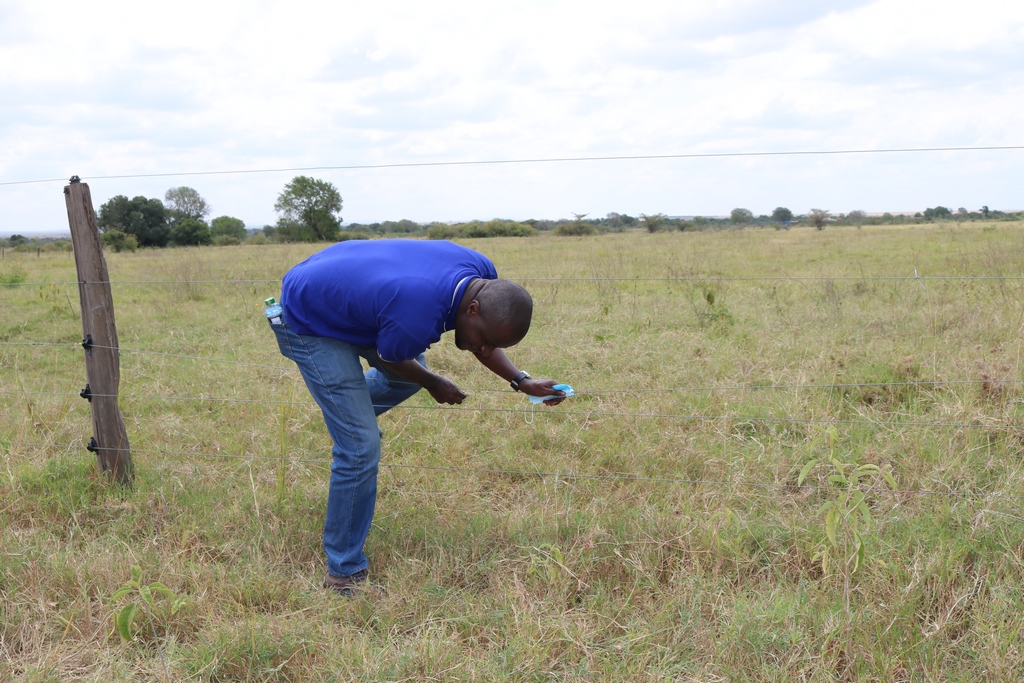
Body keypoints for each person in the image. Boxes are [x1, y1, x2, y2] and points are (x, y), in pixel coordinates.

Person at [270, 239, 565, 596]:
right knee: (361, 448)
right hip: (308, 313)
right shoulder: (417, 314)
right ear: (472, 309)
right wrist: (433, 382)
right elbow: (394, 357)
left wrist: (521, 381)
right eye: (485, 340)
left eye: (492, 345)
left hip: (353, 295)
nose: (485, 349)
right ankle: (343, 575)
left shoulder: (482, 276)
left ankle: (348, 416)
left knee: (374, 407)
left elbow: (473, 338)